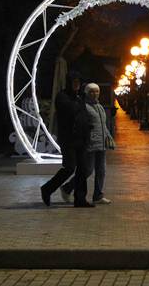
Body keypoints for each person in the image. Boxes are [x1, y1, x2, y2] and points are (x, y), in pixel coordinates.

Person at [62, 83, 114, 206]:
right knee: (88, 170)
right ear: (86, 93)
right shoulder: (83, 107)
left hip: (101, 144)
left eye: (96, 91)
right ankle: (67, 188)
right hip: (90, 144)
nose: (94, 94)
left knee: (101, 170)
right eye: (91, 91)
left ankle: (98, 195)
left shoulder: (100, 107)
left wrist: (108, 137)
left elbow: (103, 125)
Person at [40, 71, 85, 206]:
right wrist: (78, 103)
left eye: (79, 82)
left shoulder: (79, 97)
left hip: (81, 138)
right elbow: (71, 110)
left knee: (83, 169)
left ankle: (80, 199)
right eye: (74, 82)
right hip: (68, 139)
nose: (77, 85)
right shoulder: (62, 96)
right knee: (70, 167)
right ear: (69, 83)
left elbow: (83, 115)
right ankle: (47, 189)